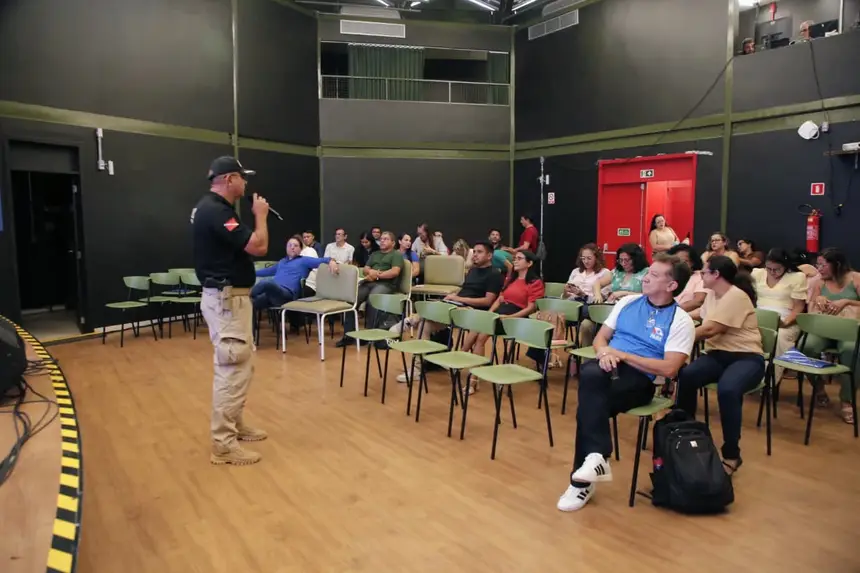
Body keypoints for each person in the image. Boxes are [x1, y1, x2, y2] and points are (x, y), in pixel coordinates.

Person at [557, 254, 694, 512]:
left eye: (654, 275)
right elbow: (600, 338)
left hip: (640, 381)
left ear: (671, 285)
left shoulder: (680, 320)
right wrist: (604, 353)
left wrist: (622, 355)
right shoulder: (628, 303)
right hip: (608, 368)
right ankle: (596, 460)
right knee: (591, 379)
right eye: (648, 272)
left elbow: (671, 368)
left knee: (589, 401)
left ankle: (582, 481)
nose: (646, 277)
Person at [192, 156, 269, 466]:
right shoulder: (216, 212)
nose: (245, 183)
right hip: (227, 302)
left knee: (242, 366)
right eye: (242, 177)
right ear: (228, 179)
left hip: (230, 300)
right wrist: (260, 215)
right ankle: (223, 444)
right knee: (232, 370)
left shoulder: (208, 208)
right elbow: (258, 247)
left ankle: (234, 425)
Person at [678, 255, 765, 475]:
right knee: (687, 375)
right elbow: (699, 315)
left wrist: (677, 337)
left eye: (704, 272)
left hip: (747, 357)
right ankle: (684, 432)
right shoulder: (712, 295)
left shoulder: (736, 296)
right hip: (718, 355)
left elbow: (710, 329)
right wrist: (673, 315)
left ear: (716, 274)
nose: (700, 275)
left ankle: (732, 454)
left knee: (728, 389)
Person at [803, 248, 860, 424]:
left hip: (848, 328)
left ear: (836, 264)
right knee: (807, 347)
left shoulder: (855, 278)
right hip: (824, 327)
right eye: (817, 264)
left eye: (822, 264)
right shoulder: (817, 282)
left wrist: (847, 301)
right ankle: (819, 387)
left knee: (852, 351)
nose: (818, 268)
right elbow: (810, 310)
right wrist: (818, 300)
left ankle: (847, 399)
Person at [336, 231, 404, 347]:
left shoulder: (396, 255)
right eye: (381, 239)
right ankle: (349, 335)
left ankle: (369, 334)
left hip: (386, 285)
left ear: (393, 243)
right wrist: (371, 273)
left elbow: (394, 272)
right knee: (351, 300)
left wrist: (377, 274)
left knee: (372, 300)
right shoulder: (375, 254)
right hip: (370, 282)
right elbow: (365, 269)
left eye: (386, 239)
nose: (382, 241)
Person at [750, 248, 807, 384]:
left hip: (786, 319)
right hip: (760, 317)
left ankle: (770, 380)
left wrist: (786, 322)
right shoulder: (758, 274)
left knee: (780, 337)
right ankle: (750, 375)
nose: (772, 272)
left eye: (777, 269)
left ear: (785, 266)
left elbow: (799, 307)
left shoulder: (797, 277)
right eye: (769, 268)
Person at [251, 235, 338, 310]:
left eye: (295, 245)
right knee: (250, 303)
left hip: (287, 294)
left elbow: (323, 260)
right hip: (273, 294)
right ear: (286, 248)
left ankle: (244, 294)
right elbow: (267, 271)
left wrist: (331, 261)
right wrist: (250, 272)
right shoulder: (282, 261)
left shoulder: (304, 260)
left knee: (267, 282)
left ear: (300, 249)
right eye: (290, 245)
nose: (292, 247)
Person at [668, 243, 708, 313]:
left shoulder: (700, 276)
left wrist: (671, 311)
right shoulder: (670, 276)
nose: (680, 264)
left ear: (692, 262)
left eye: (684, 261)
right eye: (676, 261)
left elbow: (698, 301)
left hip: (686, 316)